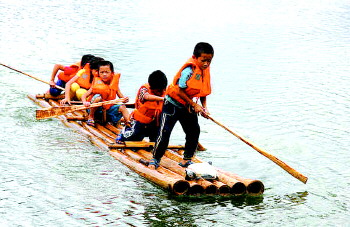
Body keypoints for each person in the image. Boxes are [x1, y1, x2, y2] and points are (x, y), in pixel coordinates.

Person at [149, 42, 214, 169]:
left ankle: (187, 159)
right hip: (172, 105)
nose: (206, 64)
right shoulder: (188, 70)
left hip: (187, 107)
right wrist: (193, 104)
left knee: (194, 131)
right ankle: (155, 159)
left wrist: (204, 108)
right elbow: (179, 90)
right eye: (203, 60)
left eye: (209, 61)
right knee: (164, 132)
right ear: (195, 58)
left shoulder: (204, 71)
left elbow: (202, 91)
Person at [115, 70, 168, 144]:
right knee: (134, 137)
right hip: (140, 122)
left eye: (163, 90)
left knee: (157, 139)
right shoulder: (144, 89)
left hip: (155, 123)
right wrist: (162, 99)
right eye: (159, 91)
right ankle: (123, 133)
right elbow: (146, 96)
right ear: (152, 88)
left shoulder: (165, 91)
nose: (161, 92)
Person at [81, 60, 130, 127]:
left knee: (122, 107)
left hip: (107, 110)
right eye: (102, 72)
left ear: (112, 73)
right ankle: (91, 117)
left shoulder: (114, 85)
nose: (104, 74)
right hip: (95, 110)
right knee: (98, 97)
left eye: (107, 72)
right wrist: (85, 102)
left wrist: (125, 99)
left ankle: (128, 123)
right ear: (98, 73)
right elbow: (84, 96)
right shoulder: (96, 84)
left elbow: (122, 98)